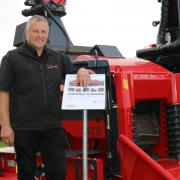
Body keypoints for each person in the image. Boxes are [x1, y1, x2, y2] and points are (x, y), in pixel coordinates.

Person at [0, 15, 92, 180]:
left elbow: (74, 70)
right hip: (24, 128)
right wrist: (5, 126)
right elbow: (3, 92)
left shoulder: (57, 58)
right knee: (26, 174)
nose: (40, 35)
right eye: (35, 31)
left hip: (52, 127)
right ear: (27, 32)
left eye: (43, 31)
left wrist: (81, 71)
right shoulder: (12, 58)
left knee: (58, 172)